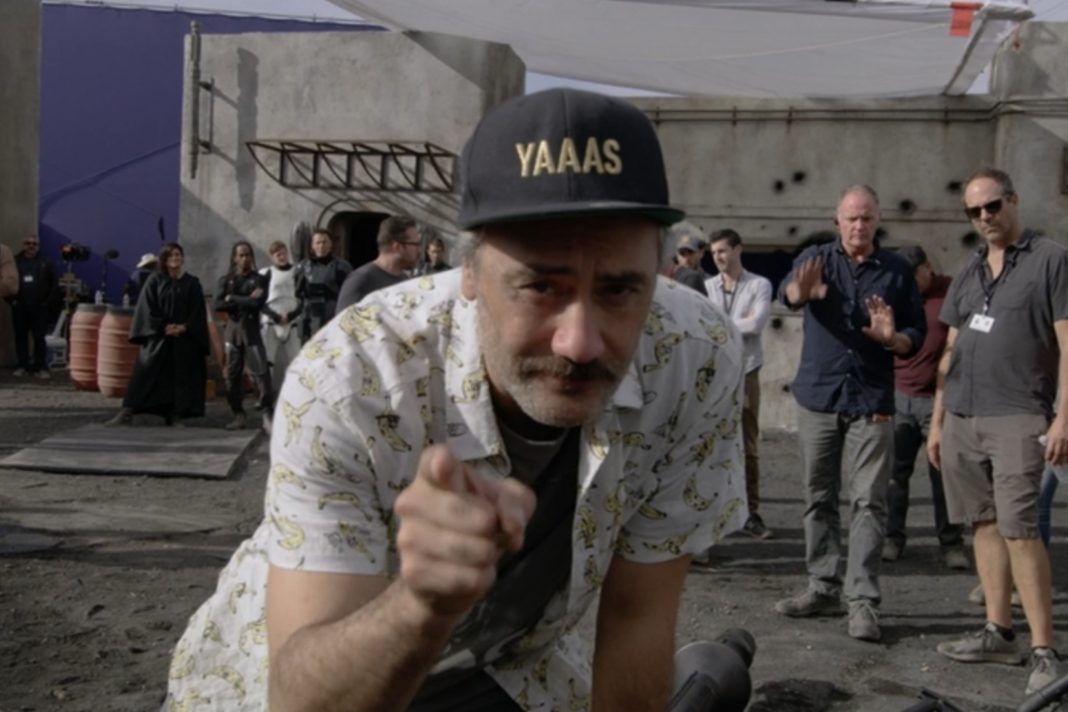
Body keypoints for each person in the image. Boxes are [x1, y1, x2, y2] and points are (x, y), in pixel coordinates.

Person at [165, 87, 748, 712]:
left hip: (512, 664)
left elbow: (637, 618)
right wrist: (420, 603)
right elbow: (303, 701)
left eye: (619, 290)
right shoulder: (349, 380)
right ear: (468, 271)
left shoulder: (691, 357)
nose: (579, 343)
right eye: (540, 286)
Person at [928, 167, 1068, 697]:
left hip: (1019, 414)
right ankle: (998, 630)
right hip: (963, 416)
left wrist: (1064, 416)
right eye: (974, 211)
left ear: (1013, 200)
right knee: (983, 523)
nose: (984, 216)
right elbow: (950, 351)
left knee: (1020, 527)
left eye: (992, 205)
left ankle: (1044, 649)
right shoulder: (968, 271)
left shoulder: (1051, 259)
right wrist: (938, 422)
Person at [773, 185, 925, 643]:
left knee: (868, 502)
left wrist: (893, 338)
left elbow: (915, 332)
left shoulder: (897, 270)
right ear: (837, 220)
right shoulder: (816, 258)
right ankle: (823, 587)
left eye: (867, 218)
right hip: (819, 398)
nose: (859, 225)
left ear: (878, 221)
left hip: (871, 401)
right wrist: (799, 292)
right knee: (818, 495)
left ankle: (862, 602)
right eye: (852, 217)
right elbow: (788, 294)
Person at [881, 245, 968, 569]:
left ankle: (951, 544)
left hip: (938, 400)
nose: (907, 282)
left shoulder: (952, 291)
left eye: (912, 275)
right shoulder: (894, 293)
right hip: (899, 396)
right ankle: (892, 538)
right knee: (895, 474)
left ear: (926, 267)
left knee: (944, 476)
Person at [706, 228, 774, 539]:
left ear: (737, 249)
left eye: (722, 251)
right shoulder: (708, 286)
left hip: (745, 372)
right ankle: (714, 513)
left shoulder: (759, 284)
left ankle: (750, 512)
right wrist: (736, 324)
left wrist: (719, 324)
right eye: (714, 253)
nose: (718, 257)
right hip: (715, 373)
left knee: (747, 444)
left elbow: (756, 324)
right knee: (711, 442)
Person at [106, 243, 209, 426]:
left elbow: (198, 311)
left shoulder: (192, 283)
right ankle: (128, 411)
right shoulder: (155, 281)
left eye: (178, 255)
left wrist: (184, 327)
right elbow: (147, 307)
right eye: (171, 255)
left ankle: (176, 415)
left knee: (179, 378)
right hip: (159, 337)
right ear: (165, 260)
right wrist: (163, 326)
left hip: (183, 340)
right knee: (145, 374)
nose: (175, 258)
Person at [215, 241, 272, 431]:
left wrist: (233, 298)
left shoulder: (259, 279)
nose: (245, 258)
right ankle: (238, 414)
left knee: (261, 372)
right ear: (234, 258)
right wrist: (246, 300)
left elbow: (257, 304)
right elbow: (218, 305)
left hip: (251, 330)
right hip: (233, 331)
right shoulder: (226, 280)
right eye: (241, 255)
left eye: (248, 255)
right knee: (232, 375)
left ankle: (267, 413)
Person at [336, 215, 420, 311]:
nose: (419, 251)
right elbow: (344, 320)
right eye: (416, 244)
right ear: (397, 247)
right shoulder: (360, 281)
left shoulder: (405, 281)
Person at [260, 241, 302, 402]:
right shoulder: (266, 273)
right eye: (278, 254)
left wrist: (291, 315)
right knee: (268, 360)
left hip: (292, 321)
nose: (282, 257)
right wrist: (276, 317)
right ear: (272, 257)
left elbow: (303, 297)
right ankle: (266, 397)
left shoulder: (297, 271)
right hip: (271, 322)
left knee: (296, 360)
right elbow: (260, 301)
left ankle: (297, 394)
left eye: (284, 253)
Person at [11, 234, 57, 378]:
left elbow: (54, 285)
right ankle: (22, 365)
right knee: (20, 337)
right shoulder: (14, 262)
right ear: (23, 244)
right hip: (20, 307)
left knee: (39, 338)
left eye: (34, 244)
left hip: (39, 308)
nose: (31, 246)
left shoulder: (46, 263)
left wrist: (47, 303)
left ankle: (40, 367)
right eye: (28, 243)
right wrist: (12, 301)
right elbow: (5, 281)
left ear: (38, 246)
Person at [296, 229, 352, 341]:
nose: (321, 246)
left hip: (332, 315)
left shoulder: (342, 267)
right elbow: (297, 294)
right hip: (309, 317)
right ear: (312, 245)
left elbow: (349, 294)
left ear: (331, 244)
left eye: (324, 242)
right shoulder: (303, 267)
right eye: (318, 242)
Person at [669, 225, 709, 296]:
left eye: (690, 253)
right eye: (682, 253)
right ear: (676, 255)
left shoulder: (710, 283)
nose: (686, 259)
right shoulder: (669, 280)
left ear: (701, 253)